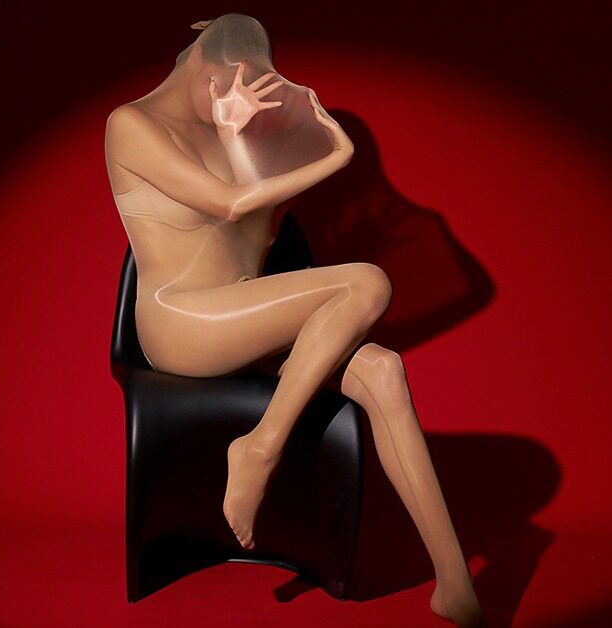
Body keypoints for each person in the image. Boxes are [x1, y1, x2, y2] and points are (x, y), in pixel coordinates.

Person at [104, 13, 487, 627]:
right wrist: (338, 155)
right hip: (180, 323)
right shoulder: (130, 124)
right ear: (210, 74)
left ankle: (454, 585)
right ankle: (259, 449)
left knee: (384, 370)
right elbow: (229, 204)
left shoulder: (228, 132)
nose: (243, 101)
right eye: (236, 85)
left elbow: (251, 247)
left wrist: (236, 141)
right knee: (367, 281)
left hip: (243, 314)